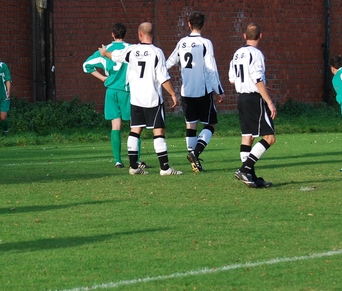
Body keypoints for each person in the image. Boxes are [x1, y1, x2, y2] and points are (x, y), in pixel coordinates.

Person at [99, 22, 183, 176]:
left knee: (135, 130)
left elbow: (115, 56)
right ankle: (164, 168)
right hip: (152, 98)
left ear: (139, 34)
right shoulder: (157, 52)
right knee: (158, 131)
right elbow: (163, 77)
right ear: (153, 34)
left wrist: (105, 53)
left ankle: (133, 167)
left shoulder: (132, 50)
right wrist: (172, 93)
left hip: (135, 98)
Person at [82, 23, 149, 169]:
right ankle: (136, 160)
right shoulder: (131, 48)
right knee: (135, 126)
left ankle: (118, 160)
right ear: (125, 34)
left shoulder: (105, 50)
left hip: (111, 91)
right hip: (128, 91)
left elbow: (86, 65)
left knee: (115, 125)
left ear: (112, 34)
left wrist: (102, 78)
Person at [166, 11, 225, 172]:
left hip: (186, 91)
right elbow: (211, 67)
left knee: (190, 126)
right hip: (202, 91)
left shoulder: (182, 42)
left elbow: (170, 62)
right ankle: (195, 154)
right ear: (202, 25)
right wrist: (219, 90)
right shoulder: (205, 43)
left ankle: (194, 161)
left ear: (189, 24)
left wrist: (159, 74)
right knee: (210, 123)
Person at [228, 23, 275, 188]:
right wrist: (269, 102)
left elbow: (232, 79)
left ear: (244, 36)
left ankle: (251, 177)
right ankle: (244, 169)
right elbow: (257, 78)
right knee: (269, 138)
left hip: (241, 97)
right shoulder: (256, 54)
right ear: (260, 36)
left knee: (247, 137)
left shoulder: (237, 53)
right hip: (254, 99)